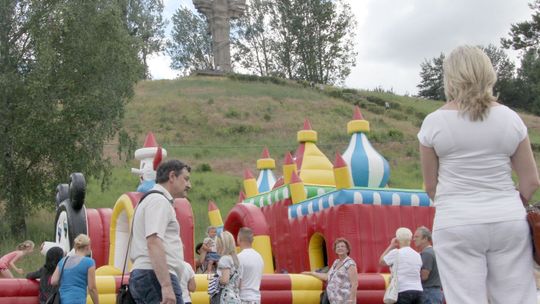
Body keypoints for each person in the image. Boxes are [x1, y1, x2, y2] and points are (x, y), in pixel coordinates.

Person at [417, 45, 539, 304]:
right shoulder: (510, 118)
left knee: (465, 298)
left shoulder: (434, 123)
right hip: (507, 219)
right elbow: (531, 181)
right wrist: (509, 204)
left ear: (450, 77)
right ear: (488, 73)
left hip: (457, 220)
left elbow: (430, 186)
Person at [129, 159, 192, 304]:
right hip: (155, 275)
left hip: (148, 274)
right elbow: (153, 241)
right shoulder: (159, 201)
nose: (189, 185)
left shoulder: (150, 200)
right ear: (172, 177)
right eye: (186, 179)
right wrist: (166, 285)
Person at [303, 238, 358, 304]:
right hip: (332, 298)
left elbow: (354, 284)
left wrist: (351, 300)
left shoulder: (350, 263)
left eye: (342, 246)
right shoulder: (336, 262)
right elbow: (327, 276)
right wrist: (312, 273)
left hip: (344, 299)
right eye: (337, 247)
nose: (340, 248)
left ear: (347, 249)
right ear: (335, 250)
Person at [51, 234, 99, 304]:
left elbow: (53, 281)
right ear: (87, 247)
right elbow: (92, 288)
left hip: (62, 300)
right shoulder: (89, 262)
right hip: (78, 300)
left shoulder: (63, 261)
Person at [380, 227, 423, 304]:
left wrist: (391, 245)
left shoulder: (396, 253)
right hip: (418, 290)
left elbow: (381, 261)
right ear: (410, 238)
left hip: (402, 289)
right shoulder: (417, 255)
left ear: (397, 239)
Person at [413, 226, 443, 304]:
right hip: (435, 292)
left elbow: (424, 276)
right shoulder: (434, 251)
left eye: (417, 237)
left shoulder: (426, 253)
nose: (414, 239)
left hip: (428, 293)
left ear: (425, 238)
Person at [237, 227, 264, 304]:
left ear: (238, 238)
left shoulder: (239, 257)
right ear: (252, 240)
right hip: (256, 298)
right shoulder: (259, 257)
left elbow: (238, 282)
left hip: (243, 298)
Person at [216, 230, 242, 303]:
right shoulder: (236, 260)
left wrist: (216, 280)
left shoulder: (224, 259)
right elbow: (239, 284)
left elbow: (225, 280)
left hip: (225, 297)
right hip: (235, 296)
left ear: (221, 245)